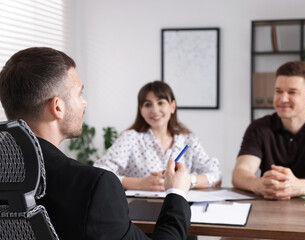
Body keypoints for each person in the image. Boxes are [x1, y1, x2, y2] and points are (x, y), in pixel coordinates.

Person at [0, 47, 191, 240]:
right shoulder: (95, 187)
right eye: (79, 94)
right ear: (58, 107)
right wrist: (176, 192)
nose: (84, 103)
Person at [232, 61, 305, 200]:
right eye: (278, 91)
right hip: (268, 208)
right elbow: (239, 173)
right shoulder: (258, 127)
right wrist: (258, 184)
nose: (282, 98)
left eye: (292, 92)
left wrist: (300, 186)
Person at [94, 81, 222, 191]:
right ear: (141, 111)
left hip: (181, 208)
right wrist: (140, 183)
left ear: (172, 106)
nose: (155, 110)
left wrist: (187, 180)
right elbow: (100, 172)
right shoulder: (130, 138)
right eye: (148, 104)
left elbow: (216, 174)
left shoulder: (188, 140)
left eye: (161, 103)